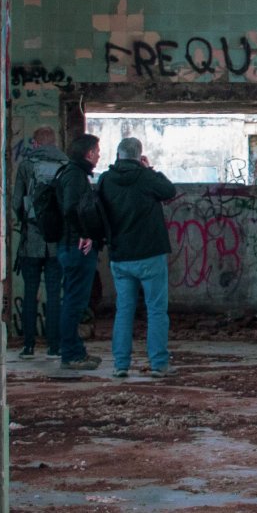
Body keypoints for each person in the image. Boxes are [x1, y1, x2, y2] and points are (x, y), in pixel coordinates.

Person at [97, 137, 178, 378]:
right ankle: (158, 364)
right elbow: (169, 191)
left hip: (120, 255)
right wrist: (149, 169)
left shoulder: (106, 179)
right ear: (139, 156)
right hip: (150, 254)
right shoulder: (145, 177)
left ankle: (120, 365)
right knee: (156, 310)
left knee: (124, 310)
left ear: (118, 155)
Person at [11, 127, 67, 358]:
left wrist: (25, 220)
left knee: (30, 292)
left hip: (32, 239)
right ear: (54, 143)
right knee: (54, 294)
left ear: (35, 143)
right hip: (56, 240)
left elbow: (16, 201)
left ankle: (28, 346)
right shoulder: (65, 166)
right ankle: (54, 347)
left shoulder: (26, 166)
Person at [54, 133, 104, 371]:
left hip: (70, 245)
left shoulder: (70, 173)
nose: (99, 155)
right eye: (97, 151)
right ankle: (71, 354)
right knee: (74, 302)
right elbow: (71, 208)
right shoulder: (74, 175)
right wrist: (84, 233)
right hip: (76, 248)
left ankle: (75, 351)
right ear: (88, 153)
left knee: (74, 301)